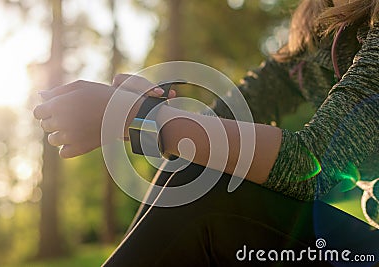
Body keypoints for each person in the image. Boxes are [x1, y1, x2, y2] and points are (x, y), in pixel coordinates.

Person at [33, 0, 379, 266]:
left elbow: (313, 165)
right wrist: (141, 111)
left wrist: (136, 116)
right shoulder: (316, 30)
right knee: (194, 170)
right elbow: (212, 128)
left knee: (207, 196)